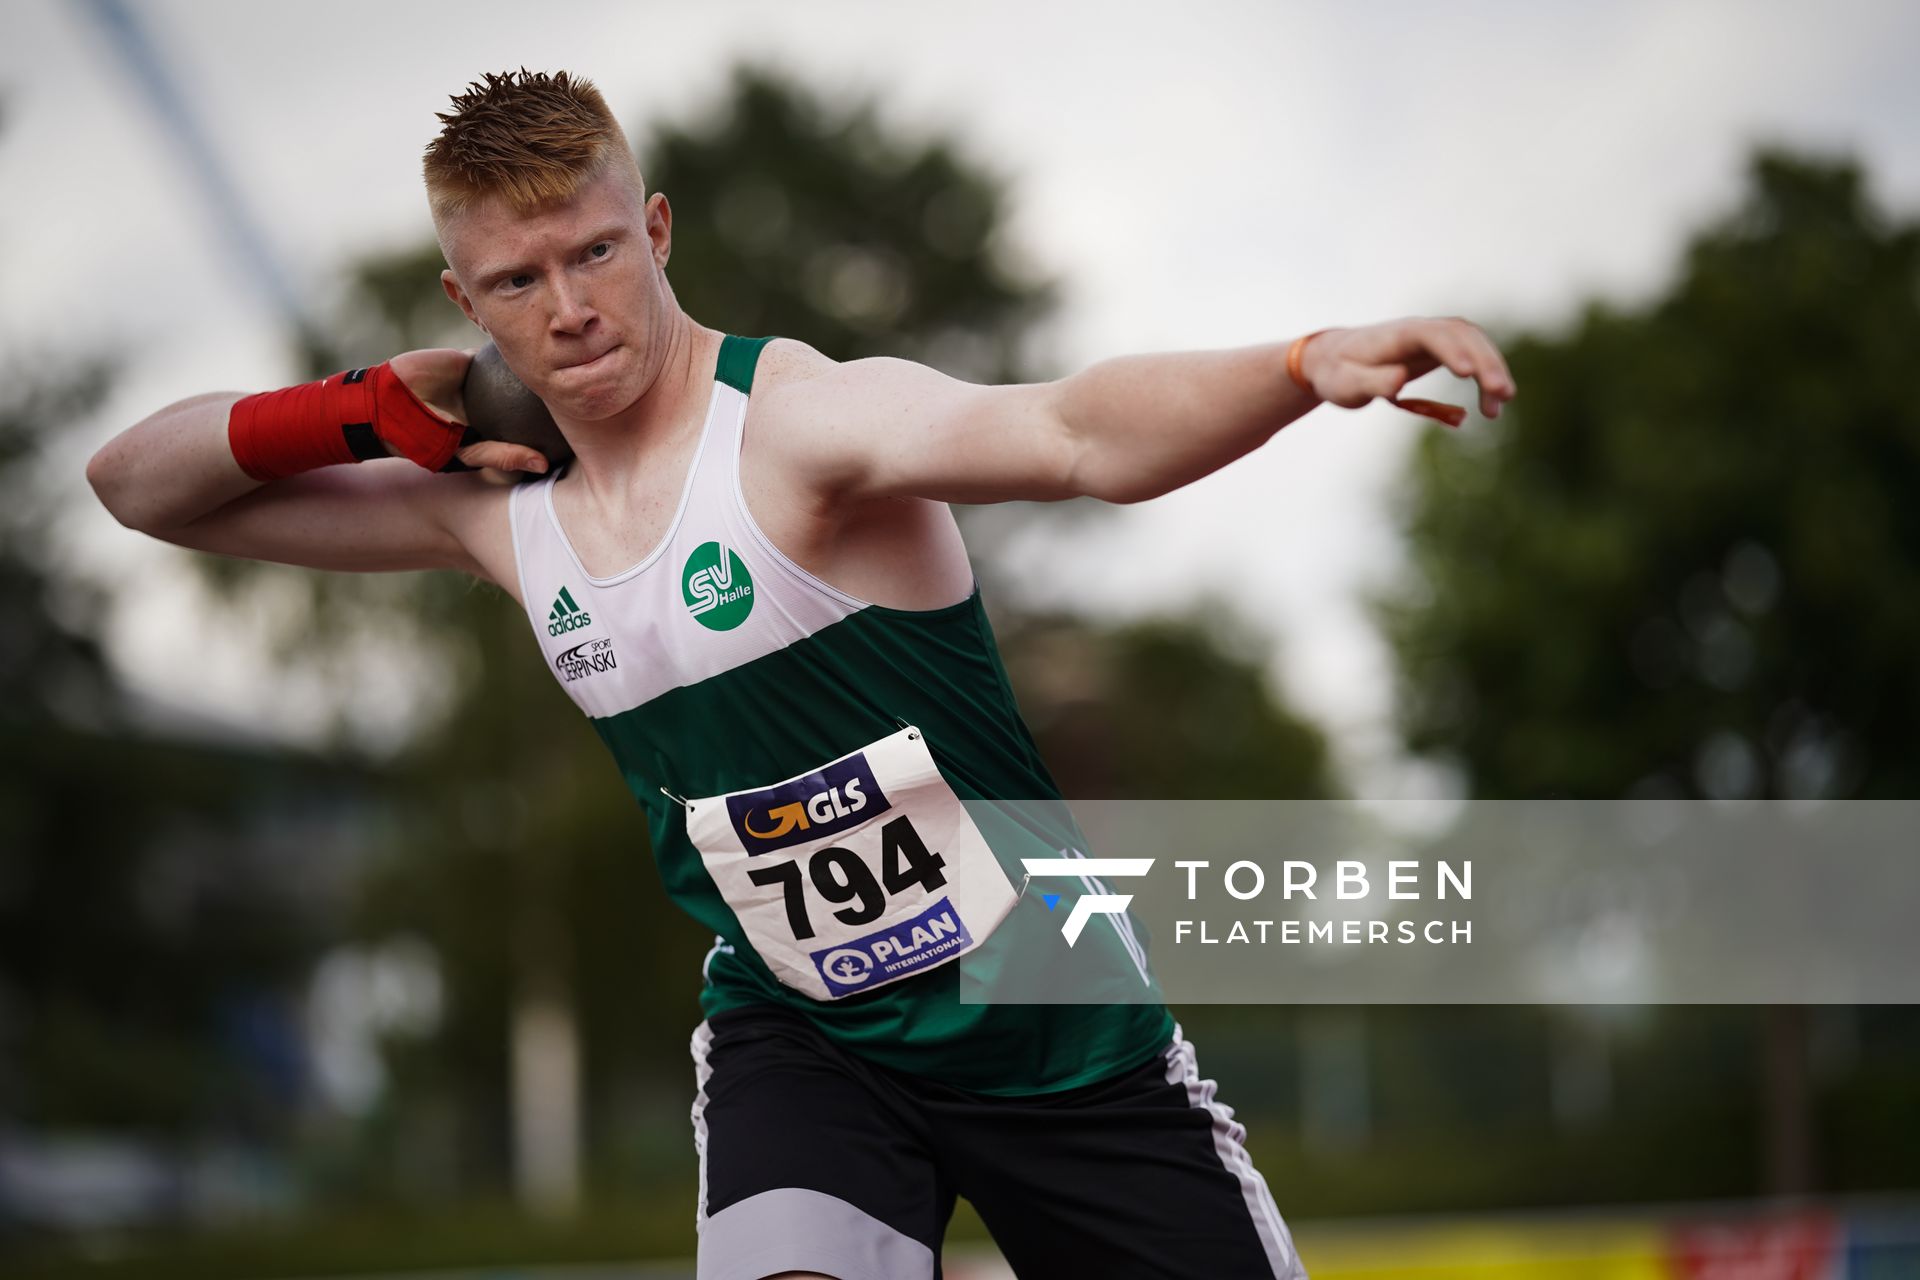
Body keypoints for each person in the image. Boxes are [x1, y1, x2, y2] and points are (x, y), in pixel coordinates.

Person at [87, 68, 1514, 1280]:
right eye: (517, 283)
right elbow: (137, 484)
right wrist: (347, 413)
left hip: (1054, 1029)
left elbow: (1077, 434)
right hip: (805, 1038)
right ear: (466, 301)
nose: (569, 308)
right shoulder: (498, 514)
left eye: (592, 254)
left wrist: (1297, 362)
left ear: (655, 230)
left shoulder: (802, 424)